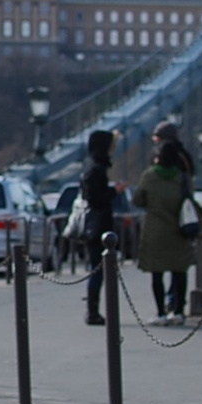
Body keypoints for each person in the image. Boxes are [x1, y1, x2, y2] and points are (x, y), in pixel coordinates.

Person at [132, 140, 194, 325]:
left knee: (156, 274)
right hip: (178, 230)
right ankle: (178, 311)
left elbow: (138, 200)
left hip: (155, 231)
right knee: (179, 272)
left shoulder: (149, 176)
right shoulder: (182, 177)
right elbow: (190, 199)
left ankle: (160, 313)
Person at [80, 129, 121, 325]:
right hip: (98, 229)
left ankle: (94, 310)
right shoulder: (96, 169)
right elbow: (96, 199)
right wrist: (114, 191)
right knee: (97, 271)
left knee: (98, 270)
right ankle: (92, 312)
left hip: (97, 227)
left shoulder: (93, 167)